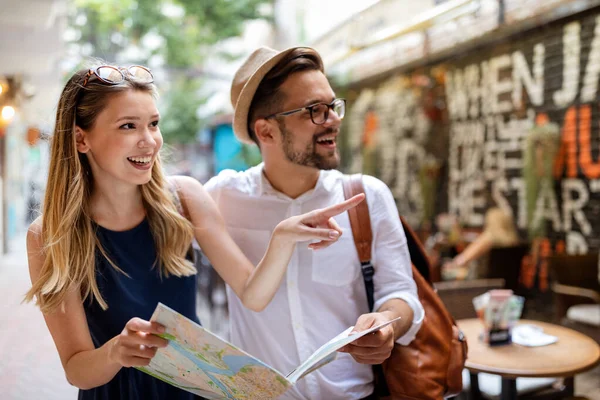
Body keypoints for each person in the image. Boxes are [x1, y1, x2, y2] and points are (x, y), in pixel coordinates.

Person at [23, 63, 364, 400]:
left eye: (153, 124)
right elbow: (76, 368)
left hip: (192, 392)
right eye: (129, 126)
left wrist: (283, 237)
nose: (149, 141)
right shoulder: (49, 237)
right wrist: (115, 352)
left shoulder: (184, 198)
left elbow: (253, 293)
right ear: (82, 139)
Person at [204, 47, 425, 400]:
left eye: (333, 106)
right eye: (314, 111)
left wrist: (386, 326)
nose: (334, 120)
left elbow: (401, 296)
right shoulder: (221, 198)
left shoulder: (366, 196)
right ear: (267, 131)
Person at [444, 207, 519, 279]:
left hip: (484, 284)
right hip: (509, 286)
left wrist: (451, 264)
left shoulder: (487, 239)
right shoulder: (514, 241)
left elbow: (463, 259)